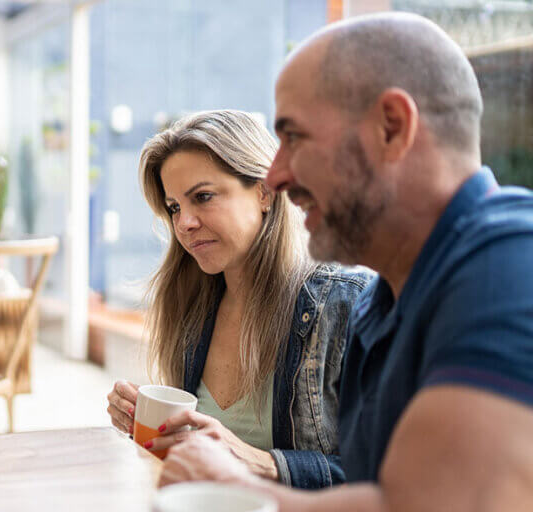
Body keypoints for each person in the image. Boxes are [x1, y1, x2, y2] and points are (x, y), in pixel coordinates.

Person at [160, 13, 533, 511]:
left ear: (392, 128)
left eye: (294, 137)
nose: (277, 174)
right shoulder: (382, 304)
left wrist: (240, 483)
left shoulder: (509, 263)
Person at [106, 110, 372, 488]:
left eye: (203, 197)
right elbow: (197, 461)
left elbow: (391, 480)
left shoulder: (347, 302)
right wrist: (152, 430)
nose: (184, 223)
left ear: (264, 191)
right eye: (174, 207)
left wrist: (262, 463)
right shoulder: (191, 304)